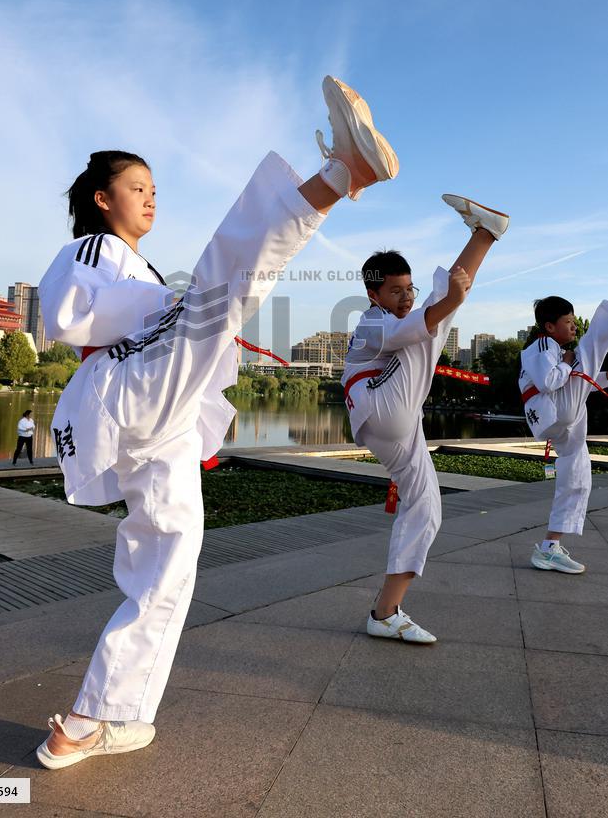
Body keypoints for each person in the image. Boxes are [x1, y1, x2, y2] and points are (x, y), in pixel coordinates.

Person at [34, 75, 400, 769]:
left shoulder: (137, 266)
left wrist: (176, 313)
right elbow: (67, 312)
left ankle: (99, 718)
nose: (149, 197)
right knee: (223, 280)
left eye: (152, 187)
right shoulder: (90, 249)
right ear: (100, 199)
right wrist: (174, 312)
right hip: (127, 386)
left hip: (159, 413)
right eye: (135, 187)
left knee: (169, 564)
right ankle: (340, 172)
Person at [342, 195, 509, 644]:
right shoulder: (370, 322)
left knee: (427, 507)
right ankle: (485, 235)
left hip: (398, 418)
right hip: (381, 405)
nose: (404, 297)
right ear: (373, 294)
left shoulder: (391, 318)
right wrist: (448, 300)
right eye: (395, 291)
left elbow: (418, 323)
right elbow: (413, 328)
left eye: (408, 289)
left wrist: (442, 304)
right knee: (431, 321)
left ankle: (385, 611)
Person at [519, 295, 608, 573]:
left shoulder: (553, 351)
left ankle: (550, 547)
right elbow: (549, 381)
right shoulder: (544, 345)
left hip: (559, 416)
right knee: (590, 348)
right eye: (568, 322)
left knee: (578, 477)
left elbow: (572, 381)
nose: (573, 327)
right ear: (548, 327)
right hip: (555, 411)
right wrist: (569, 361)